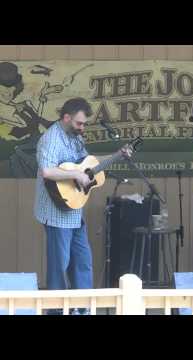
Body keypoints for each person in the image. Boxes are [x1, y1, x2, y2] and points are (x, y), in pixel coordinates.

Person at [34, 97, 131, 314]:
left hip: (74, 210)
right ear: (66, 118)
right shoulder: (51, 139)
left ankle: (82, 308)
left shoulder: (75, 137)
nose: (82, 127)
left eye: (84, 123)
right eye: (79, 123)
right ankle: (56, 310)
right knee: (60, 265)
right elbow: (47, 171)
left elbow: (89, 166)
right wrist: (75, 174)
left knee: (83, 262)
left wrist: (118, 156)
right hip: (56, 210)